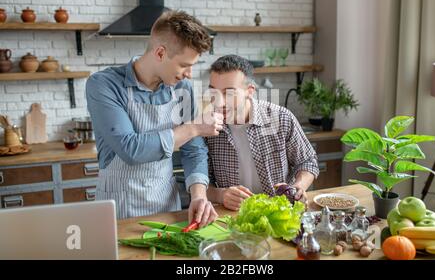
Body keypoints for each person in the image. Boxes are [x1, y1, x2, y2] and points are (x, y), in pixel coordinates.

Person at [86, 11, 222, 227]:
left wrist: (199, 195)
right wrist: (194, 128)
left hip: (168, 208)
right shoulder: (104, 85)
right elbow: (131, 149)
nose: (189, 74)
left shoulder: (182, 88)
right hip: (119, 210)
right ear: (160, 53)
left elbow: (193, 149)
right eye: (184, 65)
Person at [205, 55, 320, 211]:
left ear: (249, 91)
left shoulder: (281, 118)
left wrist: (299, 186)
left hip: (280, 211)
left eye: (229, 93)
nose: (219, 102)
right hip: (233, 217)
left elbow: (307, 161)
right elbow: (201, 182)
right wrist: (220, 195)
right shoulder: (206, 127)